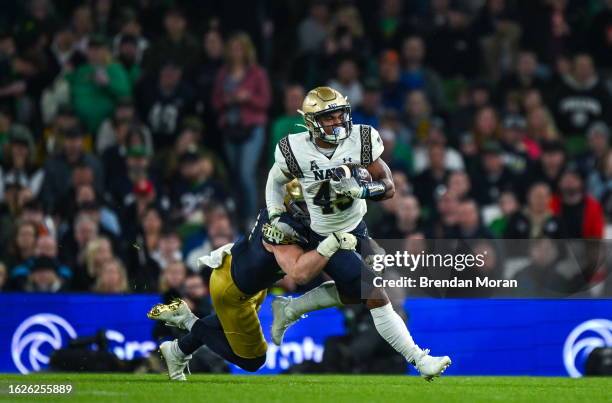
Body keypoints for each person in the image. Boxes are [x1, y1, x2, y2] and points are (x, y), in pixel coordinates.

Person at [265, 86, 450, 380]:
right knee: (375, 294)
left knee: (358, 289)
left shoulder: (360, 139)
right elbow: (275, 181)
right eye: (329, 117)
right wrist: (275, 215)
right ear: (312, 121)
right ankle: (419, 360)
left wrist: (363, 189)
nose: (338, 121)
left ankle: (290, 309)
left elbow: (389, 187)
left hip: (357, 227)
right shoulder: (295, 148)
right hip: (325, 233)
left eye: (340, 114)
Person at [147, 195, 358, 380]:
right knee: (253, 361)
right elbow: (299, 275)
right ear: (291, 203)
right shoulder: (281, 228)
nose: (311, 210)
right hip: (233, 290)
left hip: (242, 276)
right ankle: (187, 319)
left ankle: (178, 350)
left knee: (224, 321)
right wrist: (333, 242)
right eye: (304, 205)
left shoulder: (280, 210)